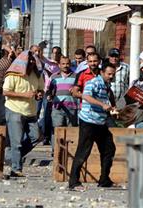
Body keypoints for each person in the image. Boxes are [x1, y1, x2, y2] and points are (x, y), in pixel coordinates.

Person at [68, 63, 117, 191]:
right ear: (102, 73)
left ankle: (104, 179)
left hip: (100, 122)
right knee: (83, 151)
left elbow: (108, 101)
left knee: (109, 149)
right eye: (109, 74)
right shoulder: (93, 82)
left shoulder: (107, 85)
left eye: (113, 74)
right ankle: (73, 182)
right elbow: (86, 96)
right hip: (88, 121)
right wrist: (102, 105)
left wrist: (112, 109)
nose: (111, 76)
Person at [3, 50, 44, 177]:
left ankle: (12, 156)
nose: (32, 62)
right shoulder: (13, 74)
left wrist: (39, 94)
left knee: (36, 137)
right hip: (14, 109)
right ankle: (16, 168)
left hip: (30, 111)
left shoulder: (37, 75)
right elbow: (6, 92)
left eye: (33, 60)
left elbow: (41, 89)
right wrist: (24, 95)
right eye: (29, 60)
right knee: (17, 141)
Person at [47, 56, 78, 149]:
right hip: (57, 108)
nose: (65, 66)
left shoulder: (76, 76)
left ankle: (69, 151)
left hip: (72, 107)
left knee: (71, 130)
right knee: (57, 130)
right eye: (63, 64)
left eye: (67, 64)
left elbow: (80, 90)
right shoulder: (54, 76)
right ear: (59, 65)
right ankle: (56, 151)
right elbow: (49, 90)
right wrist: (49, 96)